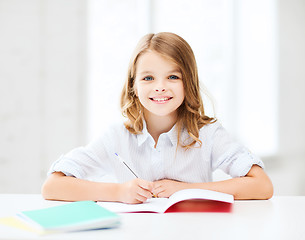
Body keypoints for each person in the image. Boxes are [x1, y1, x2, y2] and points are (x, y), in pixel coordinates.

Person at [42, 32, 273, 204]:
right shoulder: (116, 137)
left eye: (172, 76)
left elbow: (262, 186)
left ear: (188, 82)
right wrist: (119, 192)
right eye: (148, 78)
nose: (160, 87)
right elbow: (52, 187)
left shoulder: (207, 134)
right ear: (133, 85)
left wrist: (186, 190)